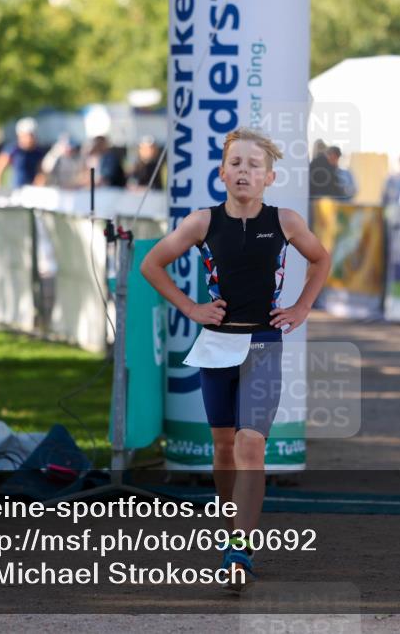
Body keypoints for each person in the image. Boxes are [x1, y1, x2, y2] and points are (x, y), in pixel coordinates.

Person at [140, 128, 330, 590]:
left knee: (250, 444)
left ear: (270, 176)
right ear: (222, 173)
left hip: (264, 342)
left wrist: (302, 307)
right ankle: (232, 531)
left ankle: (239, 549)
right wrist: (190, 308)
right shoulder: (202, 222)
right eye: (236, 163)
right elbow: (151, 264)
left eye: (253, 165)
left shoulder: (285, 220)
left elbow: (320, 259)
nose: (244, 171)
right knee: (224, 447)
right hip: (218, 346)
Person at [0, 117, 46, 189]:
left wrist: (39, 184)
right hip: (13, 191)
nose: (29, 139)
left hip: (30, 191)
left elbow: (41, 172)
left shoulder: (38, 153)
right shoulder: (12, 150)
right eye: (26, 136)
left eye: (31, 136)